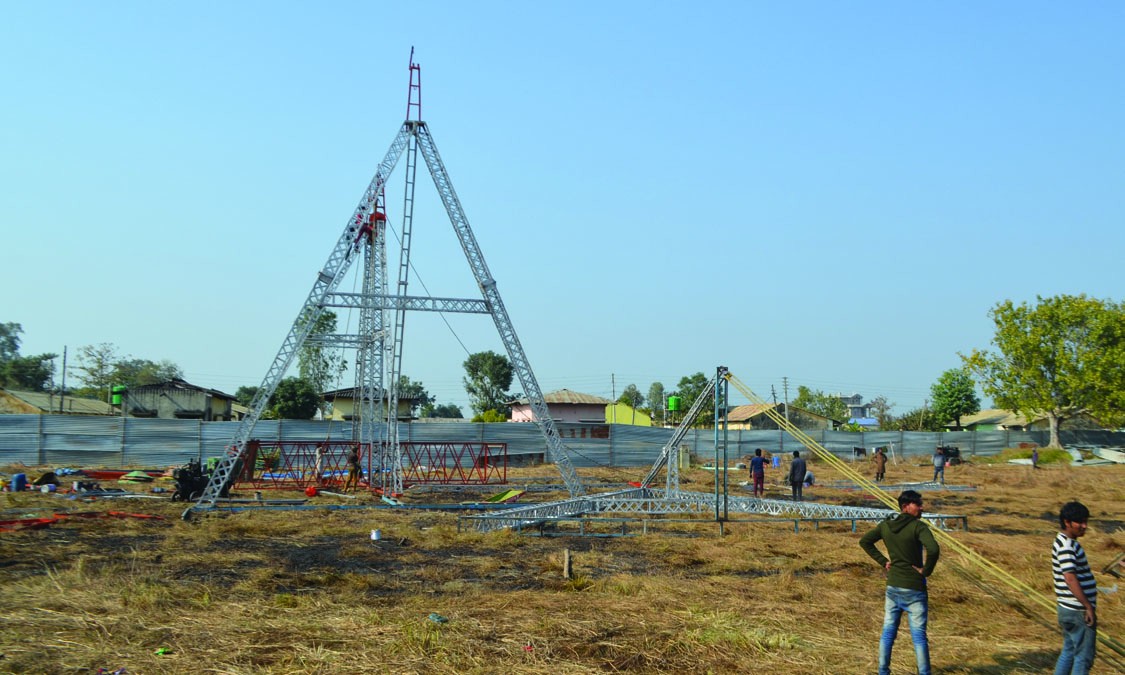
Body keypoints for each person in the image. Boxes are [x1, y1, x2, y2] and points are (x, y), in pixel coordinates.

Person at [859, 490, 940, 675]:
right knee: (919, 636)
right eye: (917, 504)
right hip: (914, 589)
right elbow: (934, 549)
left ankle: (883, 671)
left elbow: (865, 541)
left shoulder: (886, 526)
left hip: (893, 587)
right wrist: (925, 571)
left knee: (888, 633)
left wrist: (883, 561)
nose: (921, 507)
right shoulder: (918, 527)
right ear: (906, 507)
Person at [1052, 501, 1097, 674]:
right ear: (1067, 522)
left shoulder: (1062, 541)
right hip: (1077, 610)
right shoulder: (1067, 547)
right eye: (1080, 522)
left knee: (1069, 651)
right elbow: (1070, 578)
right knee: (1083, 657)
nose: (1084, 526)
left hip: (1066, 609)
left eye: (1086, 521)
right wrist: (1087, 606)